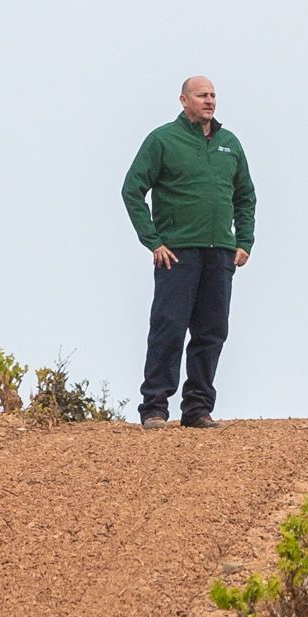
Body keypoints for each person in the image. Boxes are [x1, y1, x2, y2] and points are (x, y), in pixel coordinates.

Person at [121, 76, 256, 427]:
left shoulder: (230, 143)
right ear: (184, 100)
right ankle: (154, 407)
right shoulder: (163, 140)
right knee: (168, 327)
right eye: (201, 95)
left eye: (213, 95)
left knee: (212, 330)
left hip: (220, 253)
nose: (209, 101)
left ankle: (197, 408)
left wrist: (244, 241)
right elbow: (132, 189)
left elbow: (245, 196)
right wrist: (153, 240)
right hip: (177, 252)